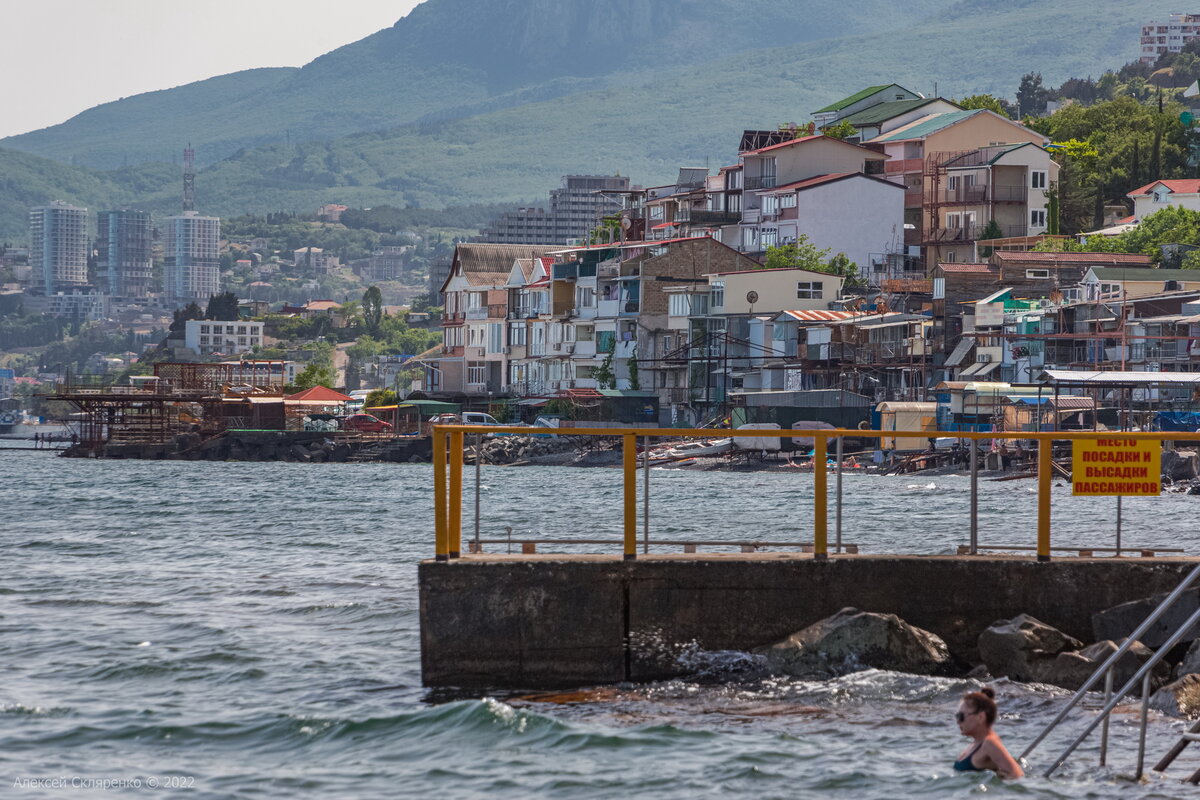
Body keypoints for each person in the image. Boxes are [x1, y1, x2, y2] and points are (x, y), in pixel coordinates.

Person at [954, 687, 1024, 779]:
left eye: (961, 716)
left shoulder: (989, 743)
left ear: (980, 717)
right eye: (957, 716)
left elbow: (1017, 774)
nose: (958, 721)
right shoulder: (976, 743)